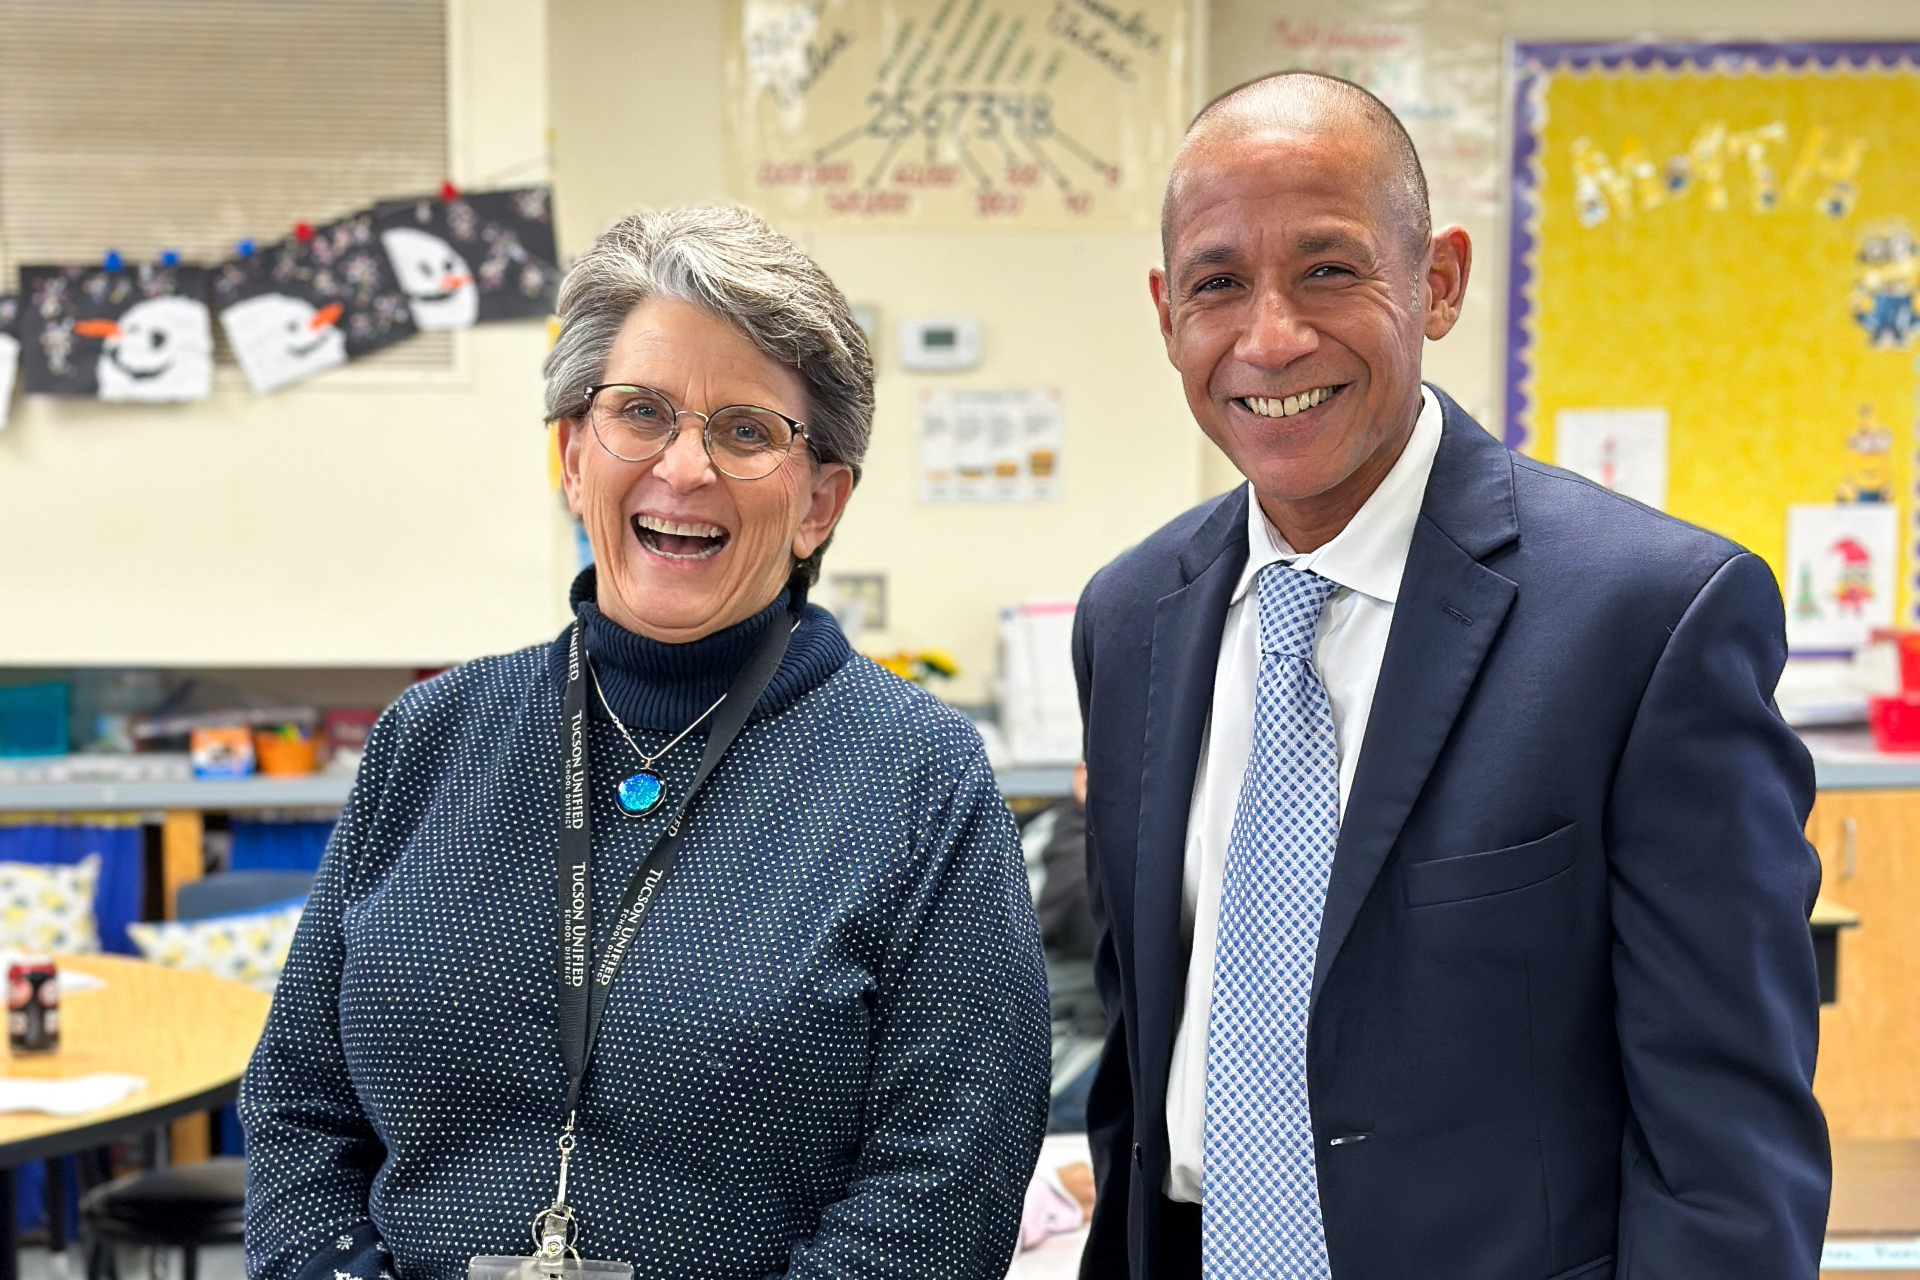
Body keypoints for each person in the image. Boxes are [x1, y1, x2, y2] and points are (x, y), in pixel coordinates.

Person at [1071, 72, 1829, 1280]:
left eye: (1329, 268)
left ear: (1439, 282)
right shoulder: (1129, 619)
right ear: (1169, 313)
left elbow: (1727, 1148)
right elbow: (1139, 1045)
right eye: (1219, 282)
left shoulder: (1649, 619)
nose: (1271, 336)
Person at [242, 206, 1050, 1280]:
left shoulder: (918, 783)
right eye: (641, 412)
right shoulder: (426, 743)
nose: (686, 466)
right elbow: (298, 1103)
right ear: (575, 458)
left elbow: (944, 1189)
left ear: (821, 502)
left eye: (747, 430)